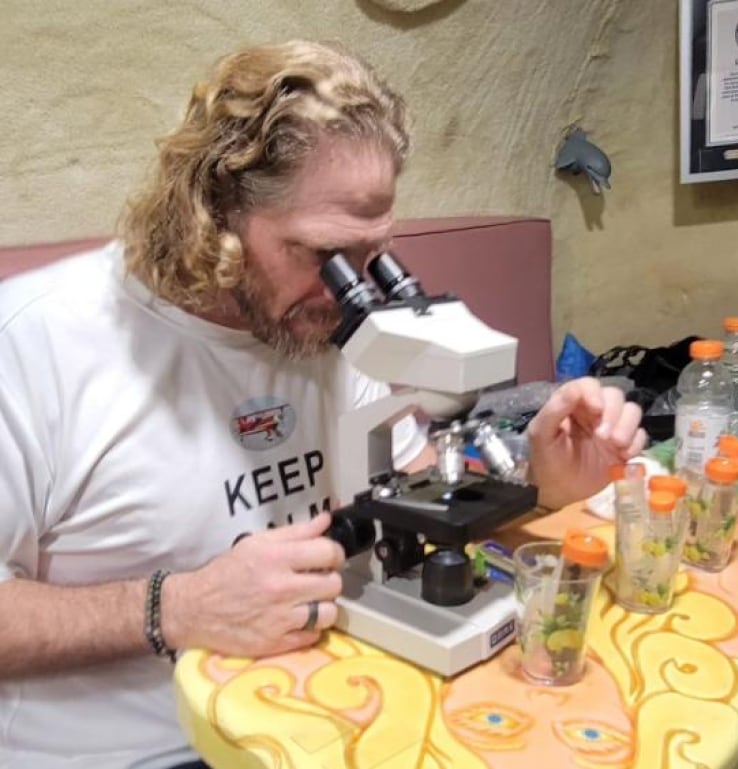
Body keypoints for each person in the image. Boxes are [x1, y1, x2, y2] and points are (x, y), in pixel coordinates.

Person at [0, 40, 646, 769]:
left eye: (374, 257)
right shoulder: (32, 344)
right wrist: (174, 607)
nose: (353, 286)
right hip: (145, 752)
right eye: (323, 256)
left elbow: (420, 487)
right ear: (214, 209)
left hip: (330, 721)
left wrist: (539, 480)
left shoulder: (321, 326)